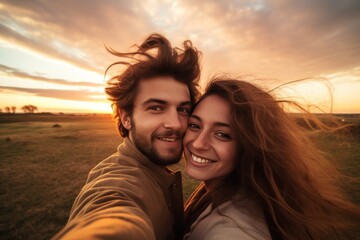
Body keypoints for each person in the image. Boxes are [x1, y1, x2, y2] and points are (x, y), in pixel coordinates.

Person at [52, 33, 201, 240]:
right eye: (156, 107)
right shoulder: (117, 184)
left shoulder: (156, 173)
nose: (175, 124)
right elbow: (109, 211)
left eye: (183, 109)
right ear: (126, 118)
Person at [183, 78, 360, 240]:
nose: (198, 143)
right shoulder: (221, 188)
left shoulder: (233, 230)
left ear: (250, 144)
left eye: (222, 134)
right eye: (195, 125)